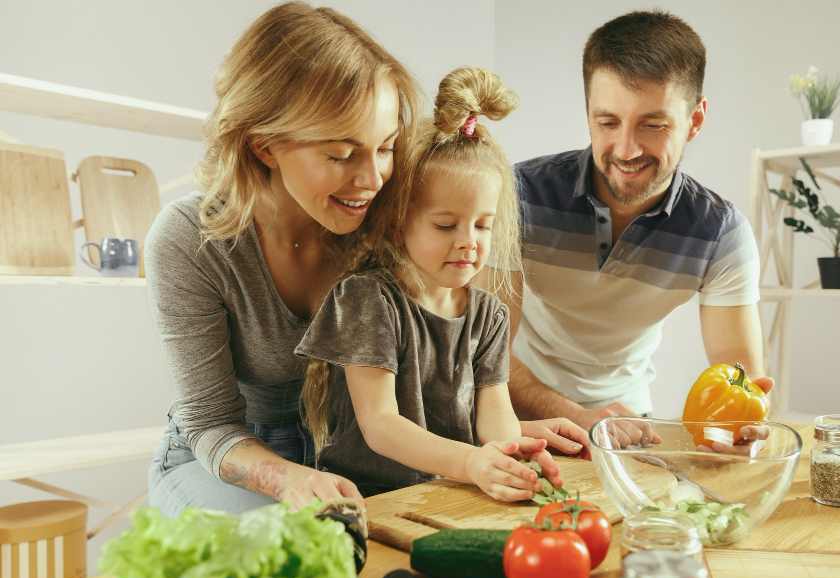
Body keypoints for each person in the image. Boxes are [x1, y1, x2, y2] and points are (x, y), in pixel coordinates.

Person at [145, 3, 582, 517]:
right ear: (264, 147)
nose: (373, 178)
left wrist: (497, 439)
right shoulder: (189, 241)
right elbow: (210, 424)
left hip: (344, 455)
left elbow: (429, 365)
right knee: (289, 557)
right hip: (222, 457)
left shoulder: (383, 219)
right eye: (341, 154)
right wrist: (288, 477)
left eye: (385, 147)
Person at [489, 10, 774, 448]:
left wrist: (739, 426)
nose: (627, 149)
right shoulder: (517, 195)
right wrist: (575, 415)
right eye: (608, 123)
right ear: (588, 114)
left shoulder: (720, 234)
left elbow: (740, 379)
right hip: (521, 413)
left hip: (629, 422)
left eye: (653, 125)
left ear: (695, 120)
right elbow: (484, 353)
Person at [296, 68, 563, 501]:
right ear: (399, 224)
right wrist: (472, 463)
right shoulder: (368, 300)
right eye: (445, 225)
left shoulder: (487, 314)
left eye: (483, 226)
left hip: (450, 490)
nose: (468, 242)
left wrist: (506, 454)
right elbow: (381, 425)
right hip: (369, 497)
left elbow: (494, 411)